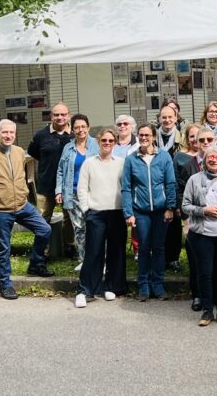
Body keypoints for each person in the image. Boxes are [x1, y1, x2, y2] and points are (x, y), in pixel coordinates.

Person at [0, 120, 54, 300]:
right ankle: (6, 284)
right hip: (0, 211)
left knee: (45, 229)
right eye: (5, 133)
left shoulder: (19, 152)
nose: (8, 136)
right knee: (3, 247)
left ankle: (35, 264)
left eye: (11, 133)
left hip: (22, 205)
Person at [182, 146, 217, 327]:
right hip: (202, 234)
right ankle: (207, 310)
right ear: (204, 160)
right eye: (210, 158)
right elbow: (185, 206)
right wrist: (203, 210)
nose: (214, 160)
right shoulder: (194, 179)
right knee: (205, 273)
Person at [121, 123, 177, 301]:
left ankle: (158, 285)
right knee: (144, 247)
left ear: (153, 136)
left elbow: (170, 183)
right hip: (141, 211)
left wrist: (170, 207)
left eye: (147, 135)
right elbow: (127, 187)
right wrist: (128, 213)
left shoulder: (164, 156)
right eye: (141, 135)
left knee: (159, 248)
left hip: (161, 211)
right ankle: (143, 285)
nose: (144, 138)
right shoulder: (131, 159)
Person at [74, 128, 127, 308]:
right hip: (96, 212)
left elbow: (126, 187)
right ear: (98, 142)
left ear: (115, 143)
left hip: (117, 211)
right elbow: (82, 188)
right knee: (94, 251)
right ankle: (86, 289)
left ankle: (112, 286)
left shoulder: (121, 163)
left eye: (111, 141)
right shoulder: (89, 163)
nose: (107, 143)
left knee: (116, 251)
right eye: (104, 140)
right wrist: (86, 208)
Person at [176, 126, 216, 312]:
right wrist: (185, 219)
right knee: (196, 259)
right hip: (194, 220)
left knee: (216, 260)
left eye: (209, 140)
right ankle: (198, 295)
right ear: (196, 143)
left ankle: (215, 295)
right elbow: (180, 194)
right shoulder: (188, 166)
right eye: (202, 140)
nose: (206, 143)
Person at [27, 102, 73, 257]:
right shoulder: (41, 135)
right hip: (46, 185)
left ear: (69, 116)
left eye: (63, 114)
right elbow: (33, 152)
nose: (60, 117)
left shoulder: (75, 135)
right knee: (42, 219)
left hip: (69, 186)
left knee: (70, 219)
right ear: (51, 116)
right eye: (56, 114)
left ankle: (69, 248)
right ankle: (42, 252)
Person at [55, 114, 99, 271]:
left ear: (88, 127)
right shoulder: (68, 147)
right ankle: (84, 259)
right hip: (72, 194)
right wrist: (58, 191)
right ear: (72, 130)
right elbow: (61, 170)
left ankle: (99, 259)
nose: (80, 130)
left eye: (83, 127)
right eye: (77, 127)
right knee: (79, 228)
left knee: (94, 227)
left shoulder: (97, 145)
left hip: (92, 194)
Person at [156, 105, 184, 272]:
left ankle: (173, 258)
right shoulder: (153, 137)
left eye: (170, 117)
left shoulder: (182, 138)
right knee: (159, 221)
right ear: (159, 119)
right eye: (163, 117)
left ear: (176, 118)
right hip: (157, 184)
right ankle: (160, 256)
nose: (167, 120)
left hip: (175, 182)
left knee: (174, 222)